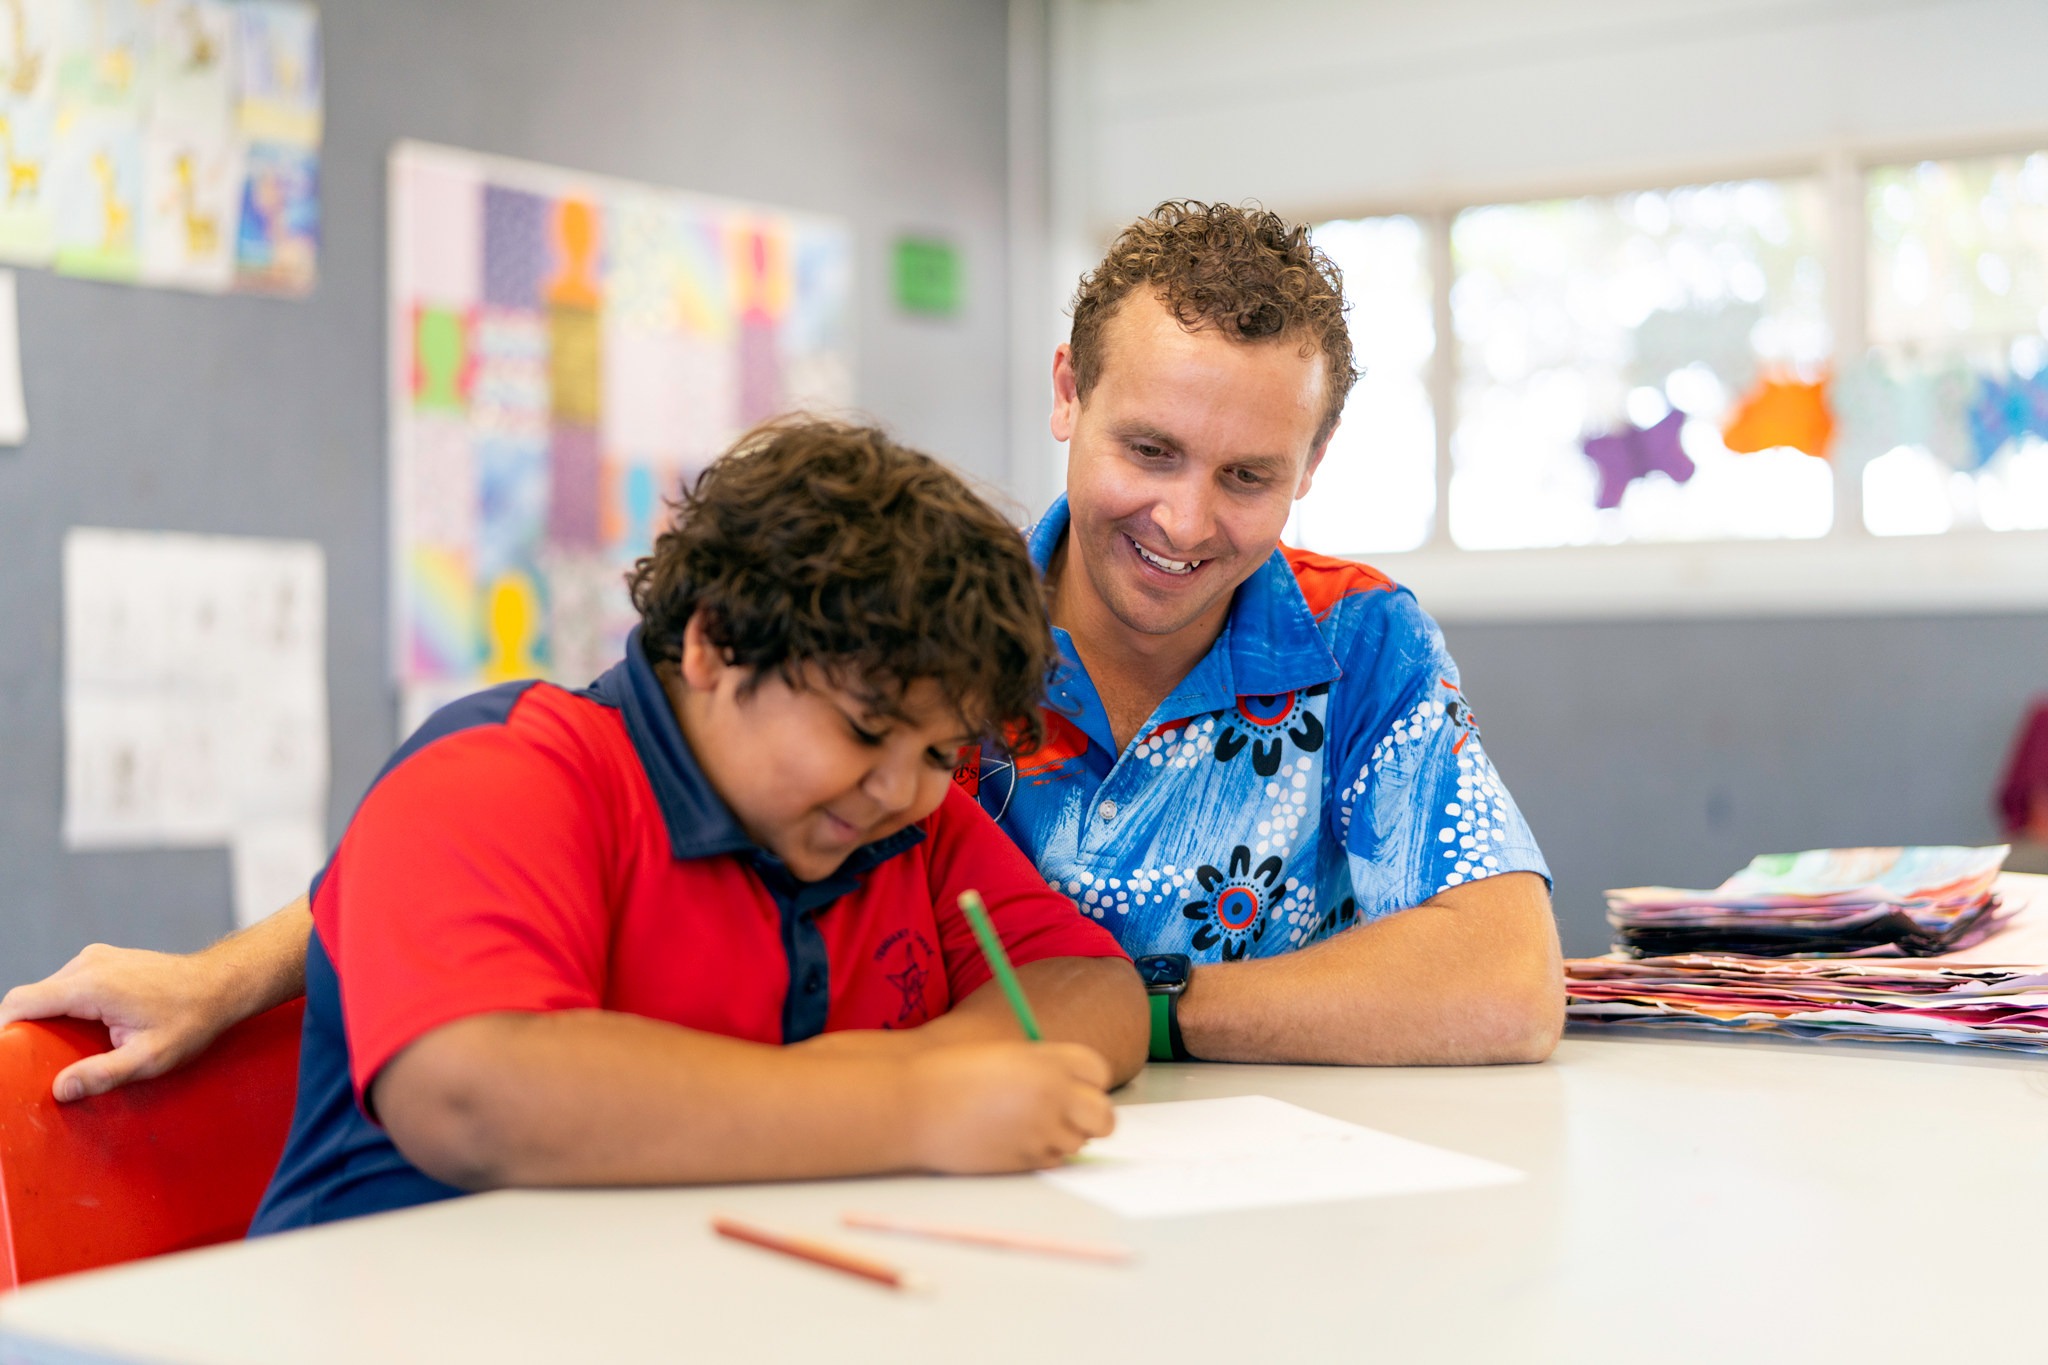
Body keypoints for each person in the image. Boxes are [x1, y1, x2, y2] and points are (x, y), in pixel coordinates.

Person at [2, 201, 1560, 1099]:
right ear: (1066, 393)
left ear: (1311, 469)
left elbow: (1504, 984)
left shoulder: (1359, 639)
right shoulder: (915, 644)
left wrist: (1159, 1009)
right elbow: (554, 794)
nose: (1185, 518)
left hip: (1195, 1159)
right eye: (1149, 446)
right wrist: (241, 968)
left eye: (1249, 477)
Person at [236, 420, 1145, 1227]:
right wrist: (909, 1101)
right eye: (864, 729)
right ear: (713, 643)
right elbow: (469, 1091)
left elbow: (1091, 986)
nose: (900, 788)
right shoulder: (504, 772)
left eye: (943, 752)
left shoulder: (908, 814)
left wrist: (960, 1066)